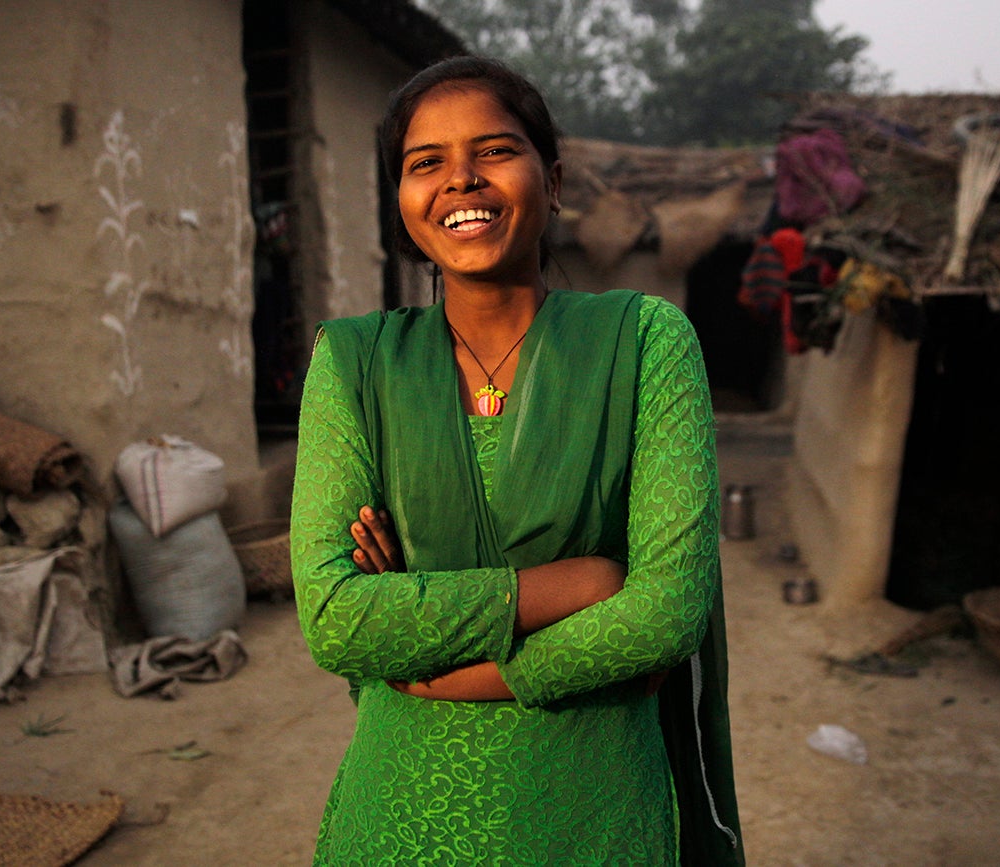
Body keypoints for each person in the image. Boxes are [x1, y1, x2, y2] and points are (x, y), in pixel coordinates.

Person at [290, 55, 745, 866]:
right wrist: (583, 585)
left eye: (493, 151)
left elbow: (668, 612)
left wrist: (446, 661)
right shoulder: (355, 363)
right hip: (401, 816)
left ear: (554, 179)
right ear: (402, 203)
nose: (460, 180)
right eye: (425, 163)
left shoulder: (644, 342)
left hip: (594, 811)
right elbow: (335, 619)